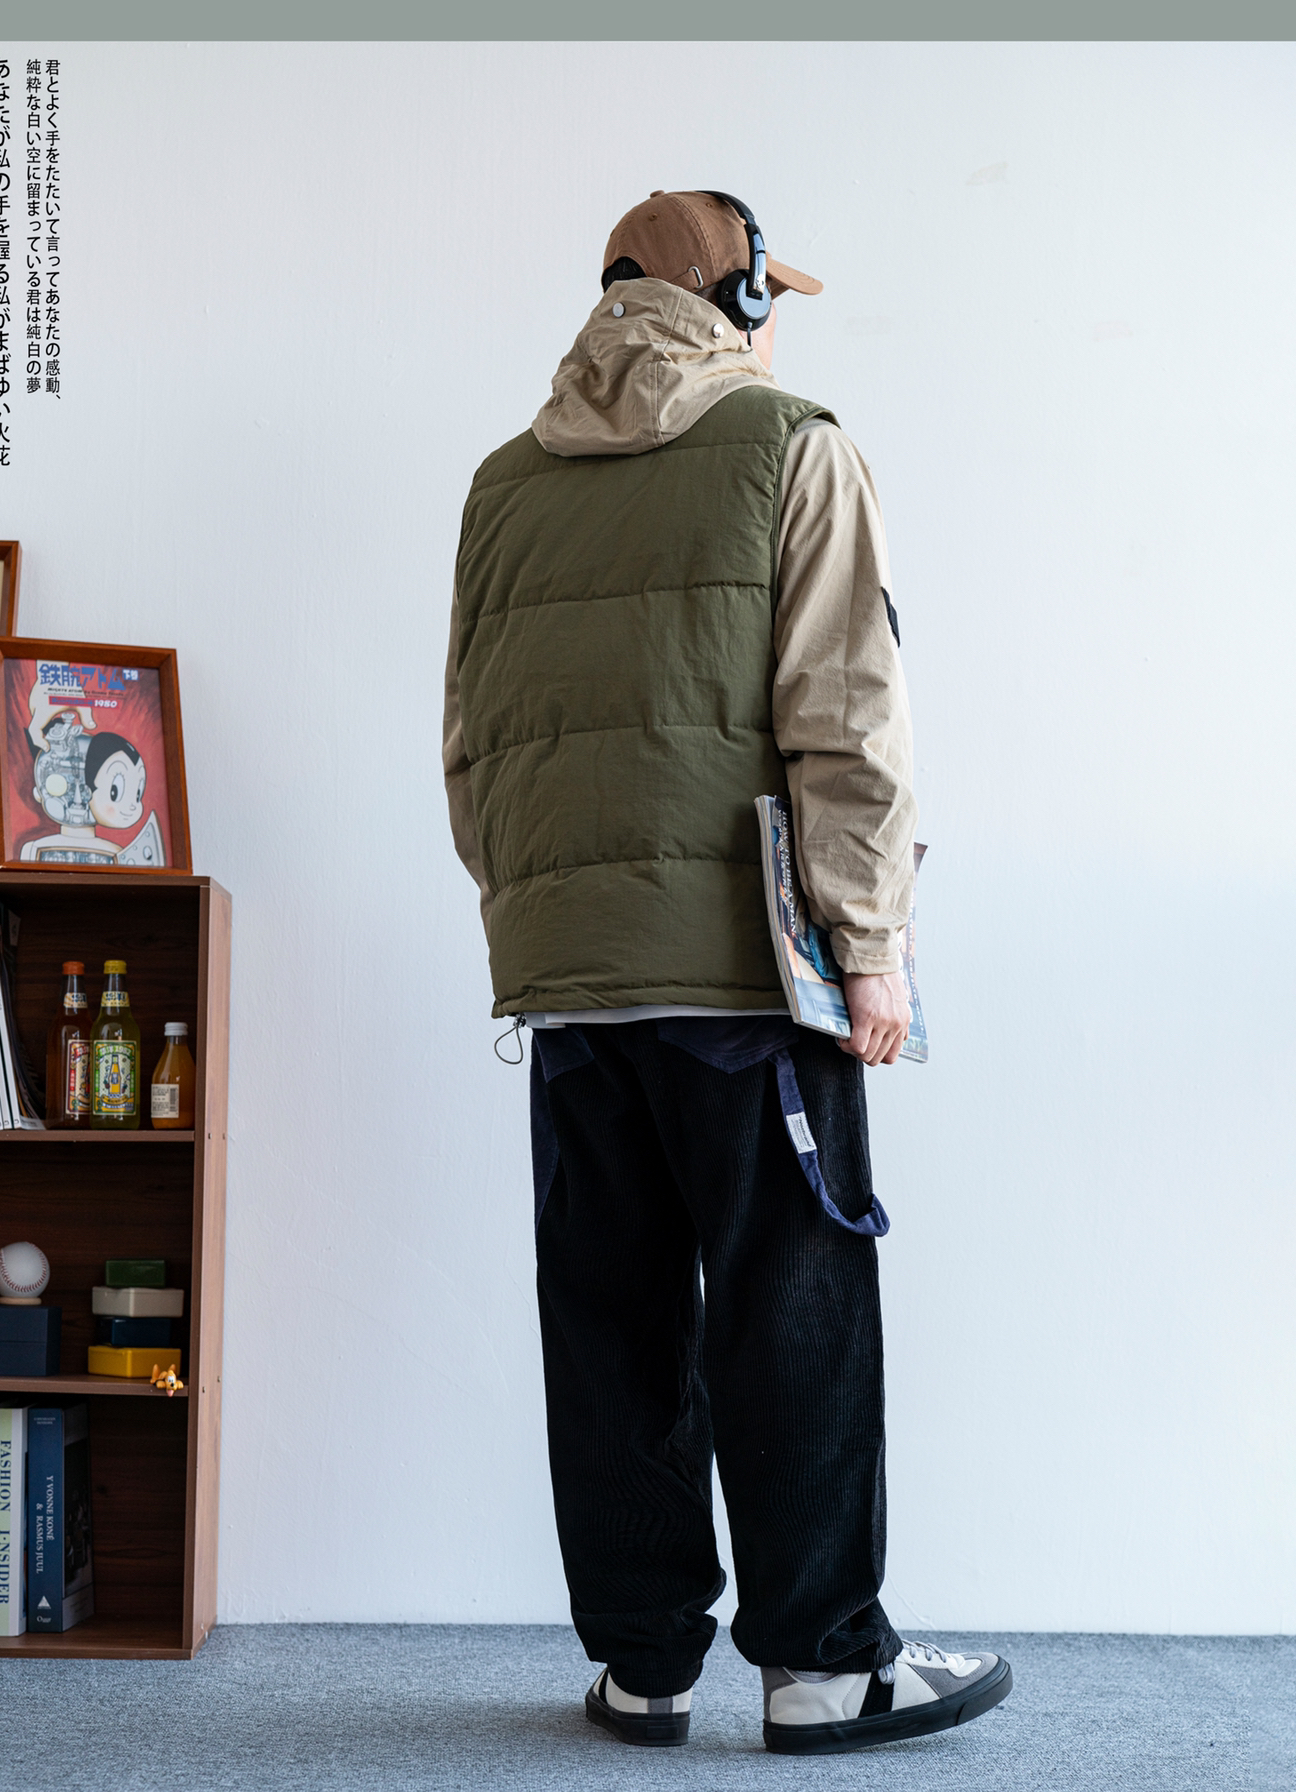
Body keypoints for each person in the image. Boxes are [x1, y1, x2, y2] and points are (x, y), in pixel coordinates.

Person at [443, 189, 1011, 1755]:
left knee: (611, 1327)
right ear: (742, 297)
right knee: (791, 1314)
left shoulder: (504, 484)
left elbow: (471, 751)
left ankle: (644, 1669)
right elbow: (848, 718)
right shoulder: (793, 444)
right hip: (753, 984)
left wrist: (542, 920)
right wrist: (870, 945)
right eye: (774, 304)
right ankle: (824, 1668)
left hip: (570, 986)